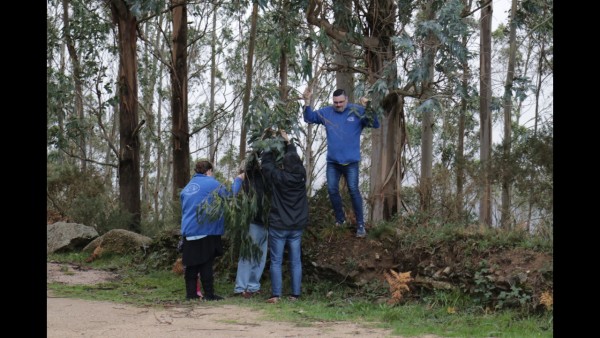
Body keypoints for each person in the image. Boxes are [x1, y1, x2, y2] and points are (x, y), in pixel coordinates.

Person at [302, 88, 380, 238]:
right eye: (335, 102)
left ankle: (361, 225)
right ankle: (340, 219)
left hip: (351, 162)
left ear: (347, 100)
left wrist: (368, 106)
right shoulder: (327, 112)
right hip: (333, 162)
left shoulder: (356, 111)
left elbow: (375, 123)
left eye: (341, 102)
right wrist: (306, 101)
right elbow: (309, 118)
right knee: (332, 189)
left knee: (353, 190)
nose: (338, 105)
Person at [180, 159, 245, 301]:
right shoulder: (212, 183)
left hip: (189, 231)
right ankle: (209, 294)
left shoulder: (187, 187)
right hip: (206, 230)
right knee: (206, 264)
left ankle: (190, 295)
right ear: (209, 171)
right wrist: (239, 180)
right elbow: (230, 195)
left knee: (191, 265)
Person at [260, 130, 309, 303]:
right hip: (296, 227)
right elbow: (294, 158)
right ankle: (295, 294)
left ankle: (276, 294)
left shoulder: (279, 177)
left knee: (276, 261)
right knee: (296, 261)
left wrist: (268, 146)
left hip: (279, 225)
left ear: (284, 165)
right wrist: (289, 143)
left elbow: (266, 166)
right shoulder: (302, 176)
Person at [233, 154, 269, 298]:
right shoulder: (245, 180)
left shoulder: (264, 178)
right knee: (249, 255)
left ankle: (252, 286)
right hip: (252, 222)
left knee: (259, 255)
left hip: (264, 222)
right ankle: (242, 286)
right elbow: (234, 195)